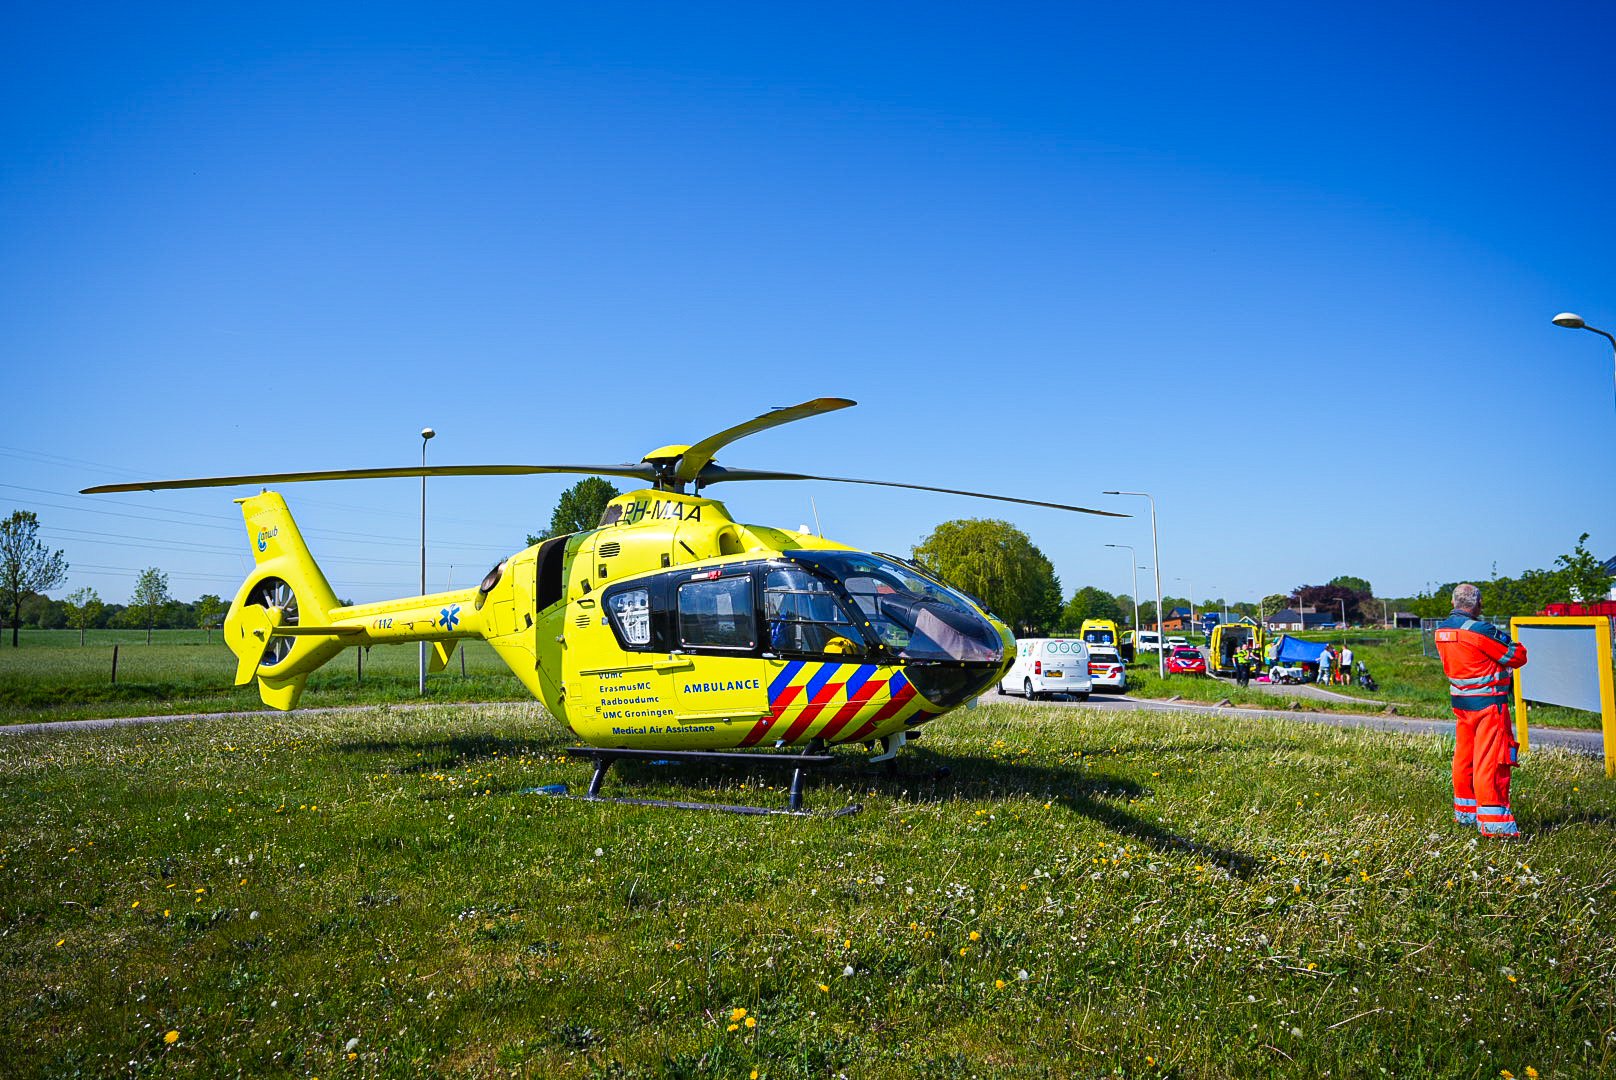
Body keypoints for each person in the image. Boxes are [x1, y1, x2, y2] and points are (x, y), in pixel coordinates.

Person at [1434, 583, 1528, 837]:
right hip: (1489, 705)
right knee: (1492, 760)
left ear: (1453, 603)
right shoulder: (1480, 630)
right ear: (1477, 604)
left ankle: (1465, 813)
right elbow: (1517, 656)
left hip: (1461, 704)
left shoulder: (1441, 630)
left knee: (1465, 759)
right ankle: (1495, 825)